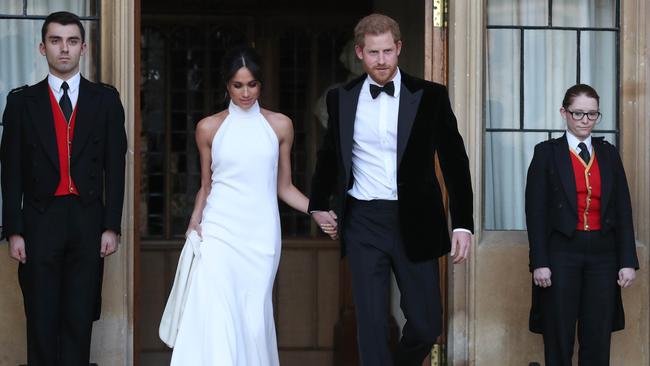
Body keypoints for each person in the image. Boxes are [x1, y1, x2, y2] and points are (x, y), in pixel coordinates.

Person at [308, 13, 474, 366]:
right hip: (364, 220)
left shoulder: (430, 96)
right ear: (359, 53)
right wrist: (318, 204)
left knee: (427, 324)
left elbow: (455, 162)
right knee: (370, 323)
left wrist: (462, 223)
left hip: (416, 218)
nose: (381, 60)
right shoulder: (342, 98)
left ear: (398, 48)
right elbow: (328, 155)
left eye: (387, 51)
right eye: (373, 53)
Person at [167, 46, 332, 366]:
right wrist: (194, 223)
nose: (245, 92)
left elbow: (283, 187)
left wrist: (317, 209)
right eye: (237, 85)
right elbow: (206, 185)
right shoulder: (208, 127)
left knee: (254, 321)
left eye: (252, 84)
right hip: (218, 233)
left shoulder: (280, 126)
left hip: (260, 237)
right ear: (226, 86)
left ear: (261, 84)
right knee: (218, 315)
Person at [0, 11, 127, 366]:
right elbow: (9, 172)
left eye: (72, 41)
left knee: (78, 318)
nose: (64, 49)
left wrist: (111, 226)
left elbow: (115, 169)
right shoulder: (22, 103)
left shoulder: (105, 101)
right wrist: (14, 231)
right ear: (42, 48)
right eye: (56, 41)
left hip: (88, 220)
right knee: (40, 318)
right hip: (40, 220)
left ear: (83, 48)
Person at [526, 84, 639, 365]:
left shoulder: (609, 154)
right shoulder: (546, 153)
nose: (585, 121)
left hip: (604, 254)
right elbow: (535, 212)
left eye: (592, 115)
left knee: (598, 335)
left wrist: (627, 260)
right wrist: (540, 261)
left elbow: (623, 209)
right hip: (562, 252)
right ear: (564, 113)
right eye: (578, 114)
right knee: (559, 334)